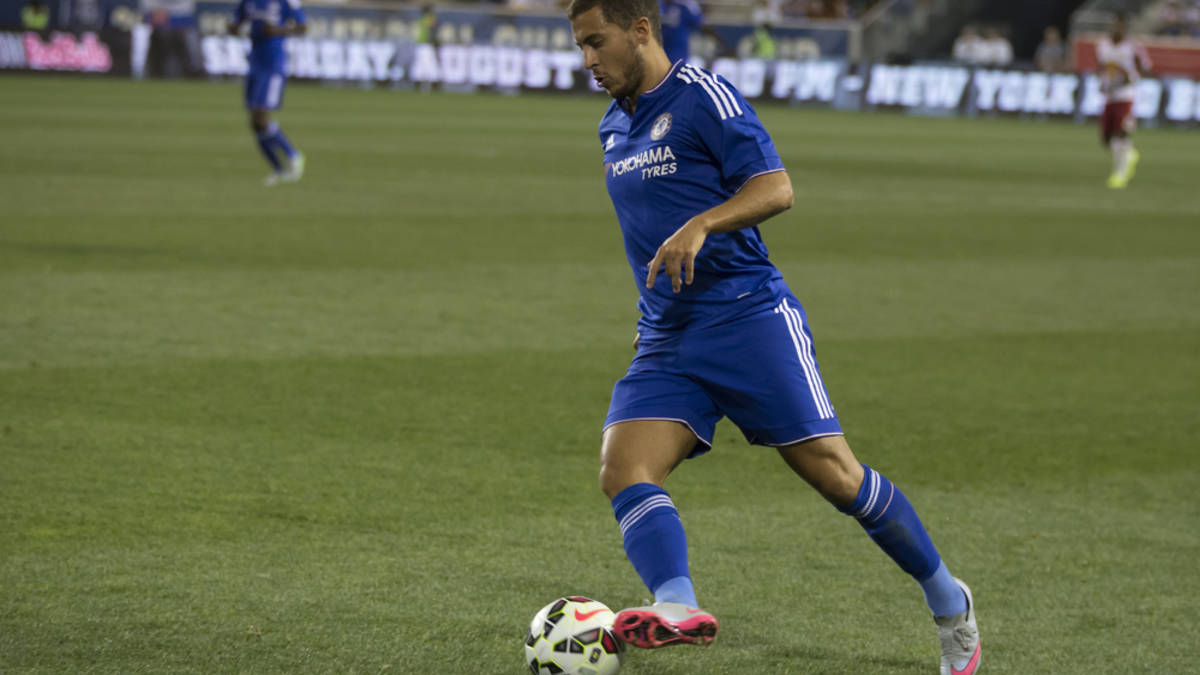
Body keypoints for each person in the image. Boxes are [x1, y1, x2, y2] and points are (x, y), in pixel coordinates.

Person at [566, 1, 982, 674]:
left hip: (749, 318)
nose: (587, 60)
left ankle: (949, 600)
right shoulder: (613, 123)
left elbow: (777, 187)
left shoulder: (703, 97)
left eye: (596, 41)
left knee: (838, 477)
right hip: (667, 333)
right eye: (580, 46)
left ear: (640, 30)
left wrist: (703, 224)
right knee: (623, 468)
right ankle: (676, 604)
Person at [228, 0, 308, 186]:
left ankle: (292, 154)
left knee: (261, 115)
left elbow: (303, 27)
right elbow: (236, 24)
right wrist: (232, 28)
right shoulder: (248, 2)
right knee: (254, 121)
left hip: (273, 65)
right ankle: (279, 170)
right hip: (255, 64)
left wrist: (278, 31)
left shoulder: (286, 2)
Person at [1096, 13, 1151, 189]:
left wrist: (1130, 79)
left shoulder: (1132, 47)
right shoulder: (1103, 45)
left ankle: (1120, 173)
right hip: (1109, 97)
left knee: (1120, 133)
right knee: (1106, 138)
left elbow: (1144, 67)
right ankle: (1129, 153)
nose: (1116, 29)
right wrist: (1102, 83)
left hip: (1125, 96)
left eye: (1120, 26)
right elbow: (1101, 67)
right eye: (1114, 25)